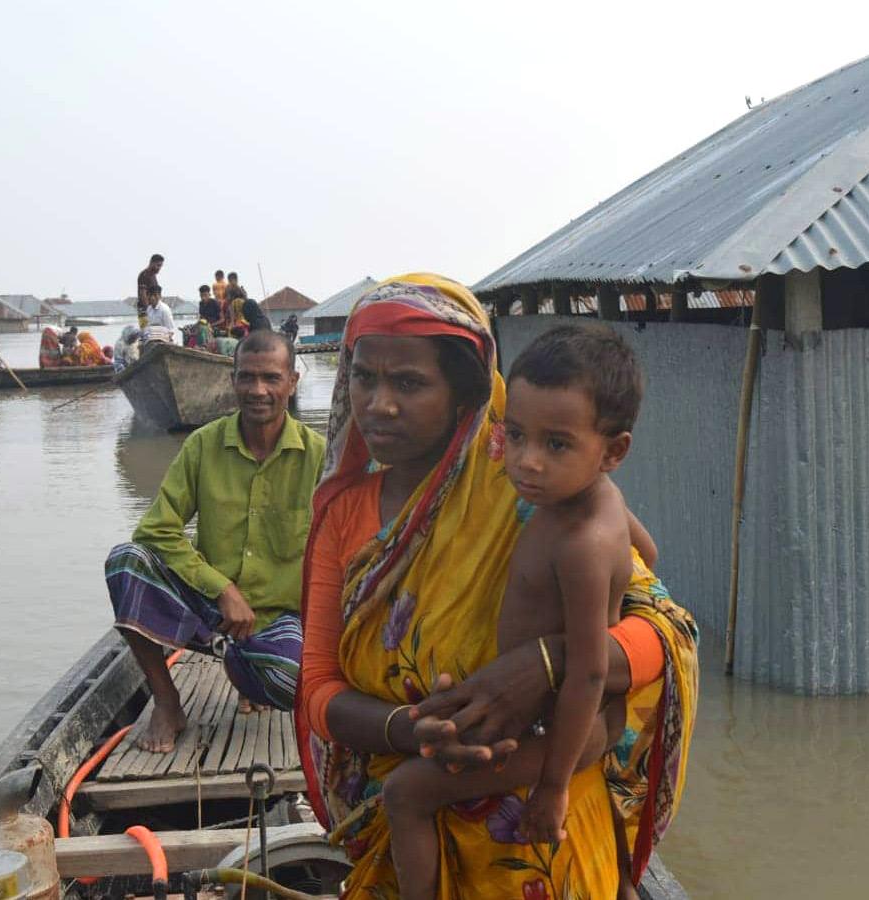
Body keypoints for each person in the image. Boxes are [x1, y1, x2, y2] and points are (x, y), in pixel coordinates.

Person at [296, 274, 698, 899]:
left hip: (540, 834)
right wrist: (409, 729)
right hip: (408, 817)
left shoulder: (537, 484)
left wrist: (545, 663)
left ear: (466, 392)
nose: (378, 403)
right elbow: (318, 686)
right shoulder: (342, 516)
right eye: (363, 377)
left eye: (408, 382)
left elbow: (665, 627)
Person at [382, 323, 649, 900]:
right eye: (517, 435)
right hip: (554, 723)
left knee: (404, 794)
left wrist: (553, 786)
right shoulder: (600, 502)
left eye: (556, 445)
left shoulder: (579, 542)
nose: (526, 463)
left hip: (553, 733)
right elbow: (647, 555)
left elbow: (589, 670)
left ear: (615, 451)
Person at [105, 330, 325, 750]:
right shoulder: (203, 444)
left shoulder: (318, 456)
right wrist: (221, 588)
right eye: (246, 378)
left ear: (292, 382)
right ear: (232, 380)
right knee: (126, 561)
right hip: (210, 611)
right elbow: (155, 530)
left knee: (287, 679)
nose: (257, 390)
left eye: (271, 379)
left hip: (280, 619)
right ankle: (167, 702)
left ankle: (244, 670)